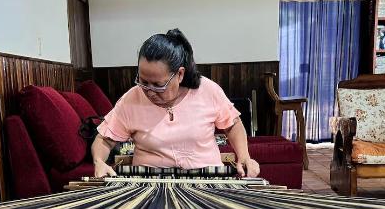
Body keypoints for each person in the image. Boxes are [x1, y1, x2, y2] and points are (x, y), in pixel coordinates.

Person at [91, 28, 260, 178]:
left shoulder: (207, 90)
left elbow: (233, 125)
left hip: (206, 178)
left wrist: (244, 156)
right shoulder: (131, 100)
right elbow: (104, 139)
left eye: (158, 85)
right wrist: (99, 161)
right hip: (150, 182)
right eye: (143, 82)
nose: (149, 91)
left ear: (179, 74)